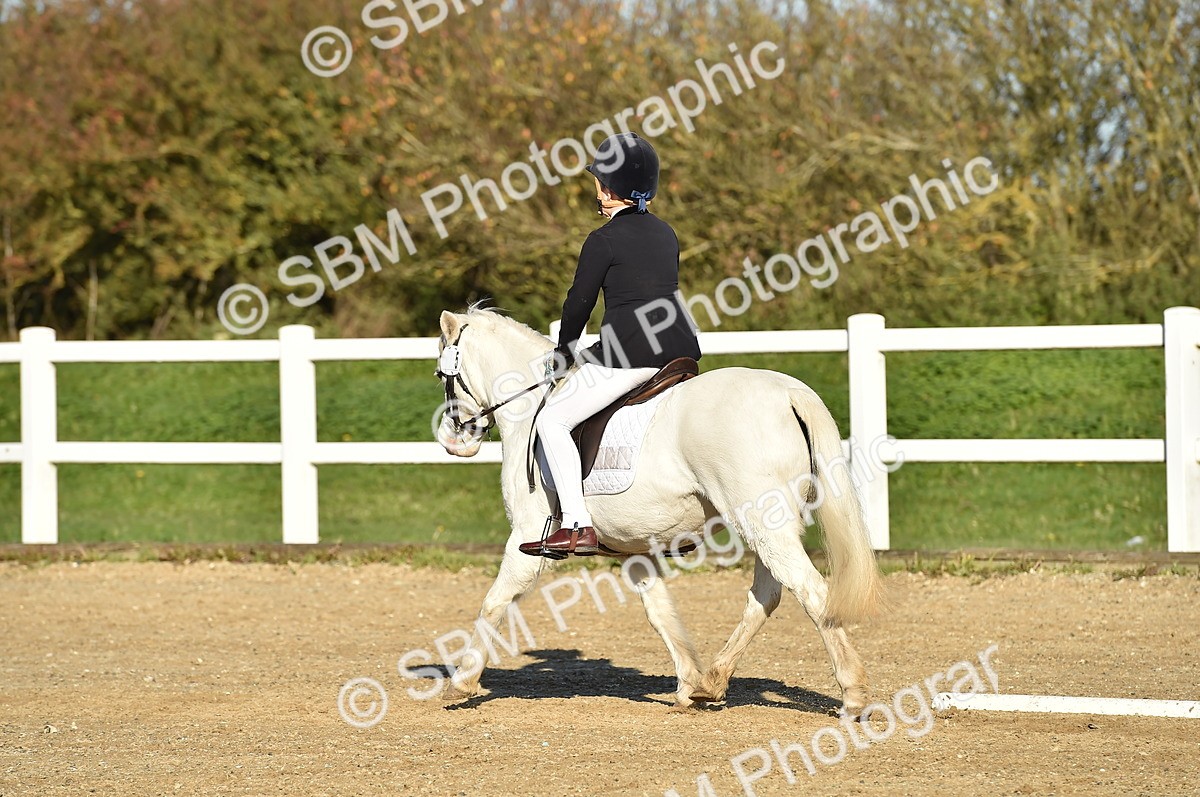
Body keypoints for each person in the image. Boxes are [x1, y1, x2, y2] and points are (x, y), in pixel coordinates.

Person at [519, 132, 702, 558]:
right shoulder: (667, 233)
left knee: (552, 421)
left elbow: (578, 302)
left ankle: (577, 525)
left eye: (599, 184)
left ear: (609, 187)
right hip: (680, 350)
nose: (596, 192)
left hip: (632, 356)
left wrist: (565, 352)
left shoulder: (602, 240)